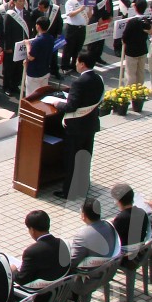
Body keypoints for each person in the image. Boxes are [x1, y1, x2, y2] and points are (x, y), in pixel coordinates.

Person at [56, 52, 105, 200]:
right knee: (85, 158)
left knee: (73, 160)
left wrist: (57, 104)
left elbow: (71, 107)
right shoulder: (98, 79)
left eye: (77, 62)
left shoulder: (79, 82)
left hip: (76, 128)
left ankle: (69, 191)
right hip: (90, 125)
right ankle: (83, 188)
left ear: (82, 64)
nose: (75, 64)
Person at [11, 210, 70, 302]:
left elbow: (22, 280)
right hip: (60, 291)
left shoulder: (32, 252)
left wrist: (13, 271)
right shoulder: (62, 243)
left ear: (32, 230)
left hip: (39, 298)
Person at [69, 198, 121, 270]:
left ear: (83, 216)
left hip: (91, 274)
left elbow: (72, 262)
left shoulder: (82, 235)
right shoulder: (109, 225)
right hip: (109, 270)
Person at [24, 16, 55, 95]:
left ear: (38, 26)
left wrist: (27, 45)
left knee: (31, 96)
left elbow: (30, 57)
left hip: (34, 73)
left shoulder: (37, 41)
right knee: (42, 95)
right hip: (45, 70)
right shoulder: (51, 38)